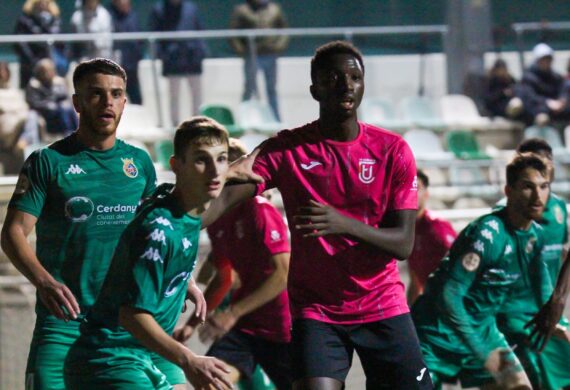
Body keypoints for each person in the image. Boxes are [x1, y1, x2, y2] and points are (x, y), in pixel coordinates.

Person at [203, 40, 431, 390]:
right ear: (315, 89)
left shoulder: (393, 151)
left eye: (354, 77)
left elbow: (402, 243)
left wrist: (342, 223)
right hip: (318, 310)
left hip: (382, 304)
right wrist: (179, 212)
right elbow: (224, 200)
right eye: (334, 78)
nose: (346, 85)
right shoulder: (289, 149)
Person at [0, 58, 159, 390]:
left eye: (116, 94)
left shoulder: (139, 163)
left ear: (125, 102)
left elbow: (155, 235)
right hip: (63, 326)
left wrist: (181, 277)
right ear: (77, 102)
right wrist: (43, 282)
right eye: (96, 94)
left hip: (121, 327)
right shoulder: (48, 162)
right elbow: (13, 232)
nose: (108, 102)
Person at [64, 117, 232, 390]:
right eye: (202, 160)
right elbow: (131, 315)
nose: (215, 170)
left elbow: (238, 182)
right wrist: (189, 359)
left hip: (146, 353)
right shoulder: (159, 230)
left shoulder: (184, 206)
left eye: (222, 159)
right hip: (111, 357)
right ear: (177, 166)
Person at [411, 153, 552, 389]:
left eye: (544, 186)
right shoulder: (488, 233)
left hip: (483, 331)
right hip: (437, 334)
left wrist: (559, 324)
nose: (538, 196)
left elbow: (543, 287)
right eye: (528, 187)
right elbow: (449, 294)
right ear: (508, 191)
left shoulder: (534, 236)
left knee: (519, 387)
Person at [174, 138, 293, 389]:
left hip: (282, 328)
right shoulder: (217, 219)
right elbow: (223, 276)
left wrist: (232, 313)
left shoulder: (259, 210)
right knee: (210, 380)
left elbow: (283, 274)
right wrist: (192, 325)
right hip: (246, 327)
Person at [495, 138, 570, 390]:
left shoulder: (560, 209)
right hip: (516, 318)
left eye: (544, 163)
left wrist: (558, 298)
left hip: (549, 312)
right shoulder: (503, 214)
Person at [229, 0, 289, 120]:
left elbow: (284, 29)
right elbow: (233, 32)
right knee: (249, 88)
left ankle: (276, 120)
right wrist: (242, 50)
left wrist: (278, 47)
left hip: (270, 54)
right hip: (251, 55)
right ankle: (243, 119)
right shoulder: (242, 10)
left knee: (271, 89)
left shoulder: (274, 9)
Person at [149, 0, 207, 122]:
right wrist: (163, 55)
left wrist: (201, 52)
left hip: (192, 58)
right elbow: (155, 33)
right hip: (172, 60)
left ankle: (197, 124)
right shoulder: (159, 9)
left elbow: (199, 30)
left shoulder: (191, 8)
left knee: (197, 95)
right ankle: (175, 126)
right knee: (174, 96)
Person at [406, 169, 456, 304]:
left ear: (426, 194)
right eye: (406, 187)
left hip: (447, 301)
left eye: (417, 187)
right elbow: (415, 280)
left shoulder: (437, 226)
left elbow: (458, 263)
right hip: (430, 302)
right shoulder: (407, 229)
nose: (411, 192)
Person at [13, 0, 64, 88]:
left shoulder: (55, 20)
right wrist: (33, 60)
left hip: (51, 61)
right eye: (39, 2)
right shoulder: (24, 20)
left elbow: (61, 43)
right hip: (30, 63)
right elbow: (20, 43)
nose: (42, 4)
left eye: (45, 2)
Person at [25, 58, 78, 139]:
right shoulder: (34, 84)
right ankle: (69, 134)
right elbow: (33, 103)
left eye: (49, 70)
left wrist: (54, 101)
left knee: (66, 107)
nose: (47, 74)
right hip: (44, 113)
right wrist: (49, 104)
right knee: (63, 108)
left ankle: (76, 132)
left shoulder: (58, 82)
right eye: (44, 71)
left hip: (60, 111)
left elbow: (64, 96)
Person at [516, 43, 567, 125]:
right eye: (543, 59)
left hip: (557, 110)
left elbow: (563, 90)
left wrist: (562, 100)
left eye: (548, 59)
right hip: (537, 111)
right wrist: (547, 102)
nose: (546, 62)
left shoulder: (556, 77)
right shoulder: (528, 78)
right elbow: (530, 97)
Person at [108, 0, 144, 105]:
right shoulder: (109, 16)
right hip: (115, 67)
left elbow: (139, 40)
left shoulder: (133, 16)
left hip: (132, 66)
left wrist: (138, 56)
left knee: (136, 99)